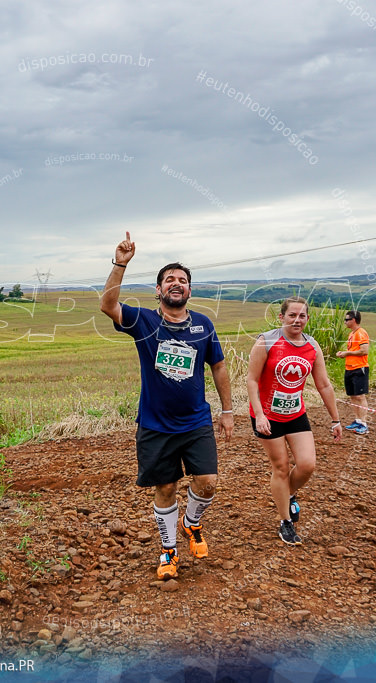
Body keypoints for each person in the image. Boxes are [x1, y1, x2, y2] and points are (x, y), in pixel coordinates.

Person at [100, 232, 233, 580]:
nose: (177, 283)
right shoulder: (144, 322)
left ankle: (192, 524)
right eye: (169, 280)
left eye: (183, 280)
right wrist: (120, 264)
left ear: (190, 290)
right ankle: (168, 550)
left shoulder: (203, 325)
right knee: (166, 488)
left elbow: (218, 365)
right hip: (156, 424)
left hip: (196, 422)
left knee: (207, 481)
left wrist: (228, 410)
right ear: (158, 291)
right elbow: (108, 306)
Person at [247, 296, 343, 546]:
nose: (297, 320)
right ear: (282, 317)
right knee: (280, 466)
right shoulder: (266, 341)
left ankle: (286, 495)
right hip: (268, 416)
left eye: (302, 316)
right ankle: (285, 521)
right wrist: (259, 415)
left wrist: (335, 419)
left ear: (307, 319)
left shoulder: (312, 346)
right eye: (292, 315)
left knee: (307, 465)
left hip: (295, 413)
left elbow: (323, 384)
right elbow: (252, 381)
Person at [336, 309, 370, 434]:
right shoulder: (352, 334)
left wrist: (347, 353)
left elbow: (364, 351)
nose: (345, 322)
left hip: (359, 368)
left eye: (347, 319)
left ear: (353, 320)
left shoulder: (361, 333)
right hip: (349, 368)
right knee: (353, 395)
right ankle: (357, 420)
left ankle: (364, 423)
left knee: (360, 396)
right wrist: (345, 354)